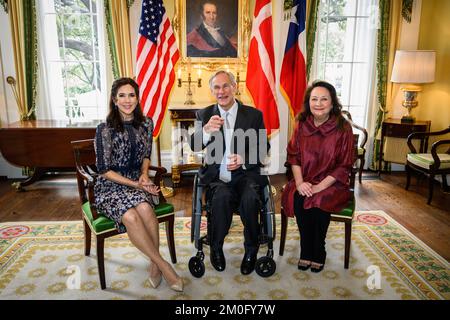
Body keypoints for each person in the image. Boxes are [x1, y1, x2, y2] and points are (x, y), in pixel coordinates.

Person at [94, 77, 183, 292]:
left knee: (145, 209)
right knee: (132, 216)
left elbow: (145, 155)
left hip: (136, 183)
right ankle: (163, 265)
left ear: (138, 98)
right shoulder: (105, 129)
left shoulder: (146, 123)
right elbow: (104, 170)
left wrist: (144, 175)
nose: (127, 100)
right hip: (110, 187)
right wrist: (136, 184)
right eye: (122, 96)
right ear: (114, 100)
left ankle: (154, 265)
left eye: (131, 95)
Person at [189, 70, 269, 275]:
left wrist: (243, 160)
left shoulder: (253, 115)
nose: (221, 91)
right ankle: (216, 248)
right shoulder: (204, 114)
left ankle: (251, 250)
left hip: (246, 175)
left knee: (251, 199)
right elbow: (194, 146)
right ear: (211, 91)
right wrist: (205, 131)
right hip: (218, 177)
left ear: (235, 87)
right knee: (221, 198)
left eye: (226, 86)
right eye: (216, 87)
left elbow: (263, 147)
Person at [281, 80, 354, 273]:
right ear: (308, 102)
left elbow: (344, 165)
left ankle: (318, 250)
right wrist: (299, 183)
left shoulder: (343, 128)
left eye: (324, 99)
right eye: (314, 99)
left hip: (332, 183)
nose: (318, 103)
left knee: (319, 199)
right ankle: (306, 250)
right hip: (303, 179)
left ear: (332, 103)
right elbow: (293, 156)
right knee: (299, 198)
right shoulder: (301, 123)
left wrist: (319, 187)